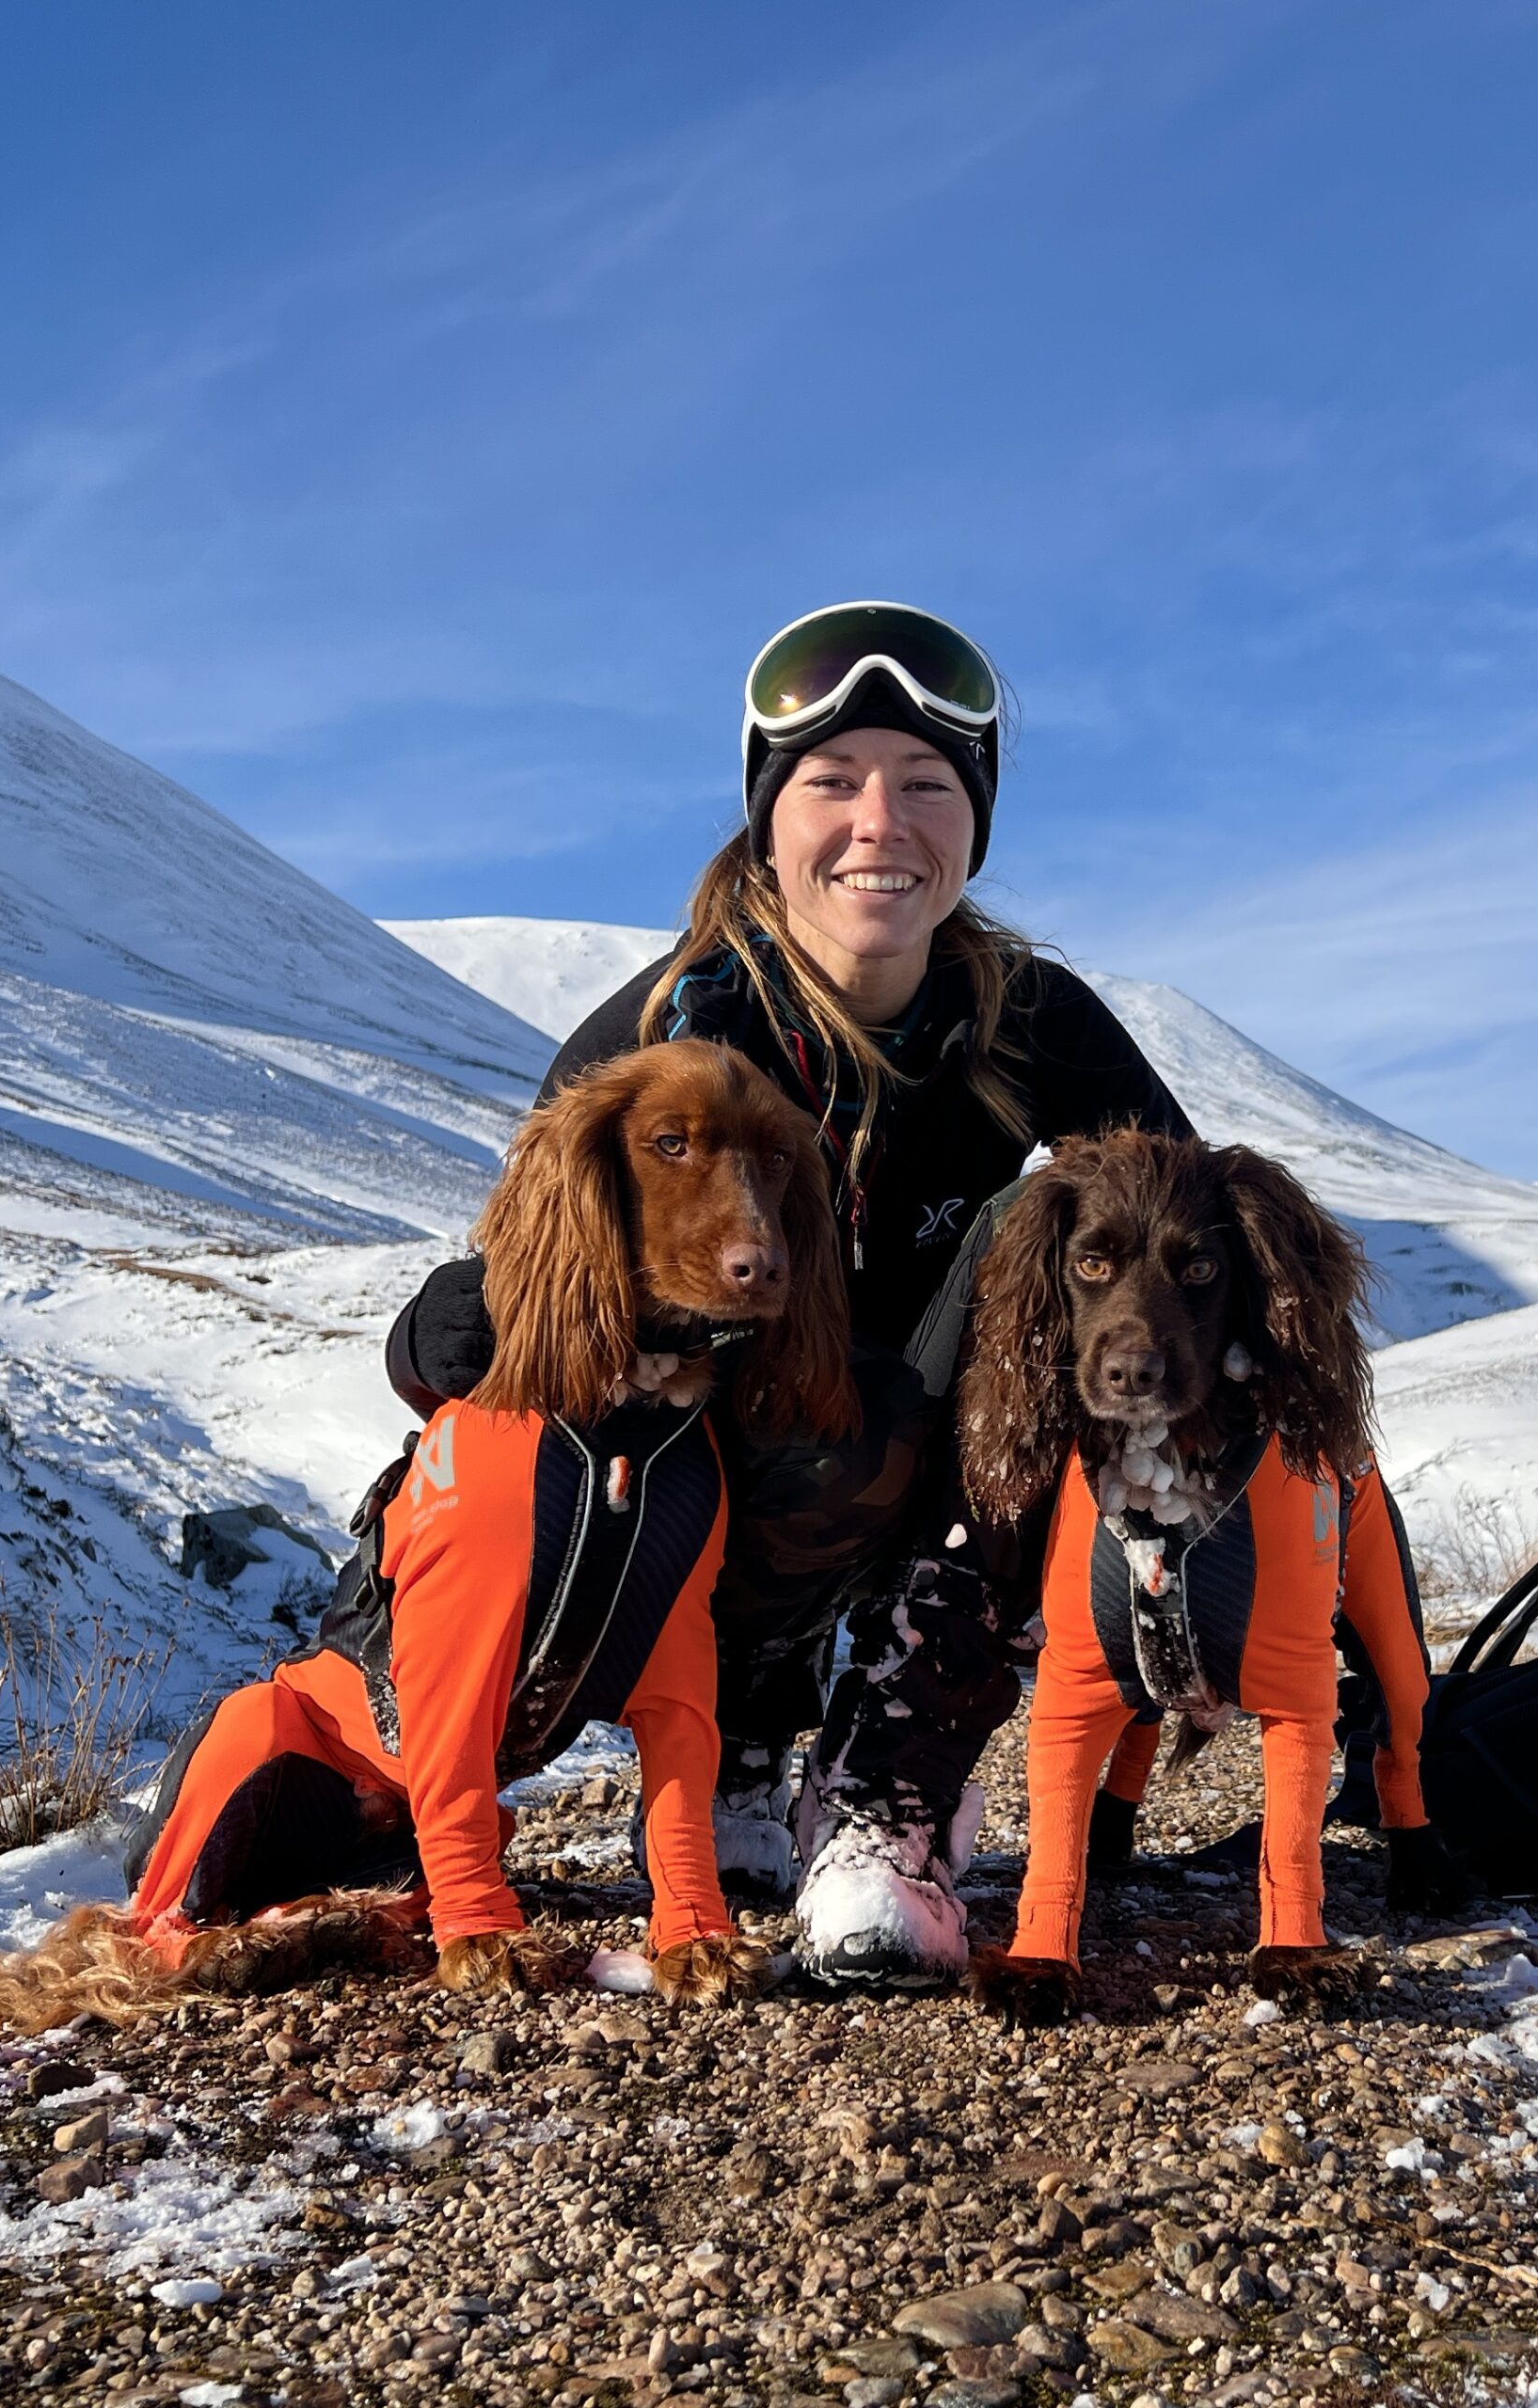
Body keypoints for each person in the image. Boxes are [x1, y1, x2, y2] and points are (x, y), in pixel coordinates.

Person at [386, 600, 1192, 1984]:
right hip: (727, 1475)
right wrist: (438, 1338)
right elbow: (528, 1286)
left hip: (940, 1453)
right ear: (769, 822)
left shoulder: (1036, 1019)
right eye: (832, 784)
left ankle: (889, 1795)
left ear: (972, 831)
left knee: (1063, 1287)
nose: (880, 822)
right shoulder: (662, 1032)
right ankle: (741, 1750)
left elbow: (1192, 1234)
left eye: (927, 786)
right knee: (781, 1411)